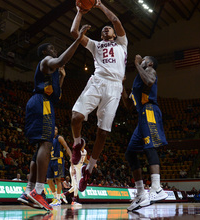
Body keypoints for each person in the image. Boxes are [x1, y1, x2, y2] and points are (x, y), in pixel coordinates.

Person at [17, 24, 90, 212]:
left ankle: (29, 190)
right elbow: (59, 59)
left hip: (44, 103)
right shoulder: (47, 61)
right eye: (51, 49)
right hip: (41, 103)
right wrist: (78, 38)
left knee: (40, 148)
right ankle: (38, 191)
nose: (54, 51)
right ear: (44, 53)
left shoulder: (52, 72)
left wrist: (62, 78)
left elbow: (56, 96)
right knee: (46, 145)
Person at [70, 0, 128, 193]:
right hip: (97, 81)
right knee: (76, 117)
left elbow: (116, 20)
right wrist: (79, 12)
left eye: (108, 29)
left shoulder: (122, 44)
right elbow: (73, 33)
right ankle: (78, 145)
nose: (106, 29)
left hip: (114, 87)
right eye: (103, 29)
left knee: (102, 132)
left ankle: (89, 168)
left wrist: (99, 4)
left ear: (114, 34)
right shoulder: (95, 45)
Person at [121, 55, 168, 211]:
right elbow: (128, 105)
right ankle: (141, 192)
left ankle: (157, 188)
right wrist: (121, 85)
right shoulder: (137, 82)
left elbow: (150, 81)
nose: (140, 60)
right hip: (141, 116)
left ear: (149, 62)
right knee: (130, 153)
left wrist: (136, 64)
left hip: (150, 110)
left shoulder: (149, 70)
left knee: (149, 147)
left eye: (143, 59)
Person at [47, 125, 72, 207]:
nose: (54, 130)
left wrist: (71, 157)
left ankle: (58, 199)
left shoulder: (59, 138)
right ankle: (55, 197)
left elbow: (66, 147)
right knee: (49, 180)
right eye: (53, 129)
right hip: (50, 160)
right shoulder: (48, 140)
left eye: (56, 129)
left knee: (58, 180)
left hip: (58, 160)